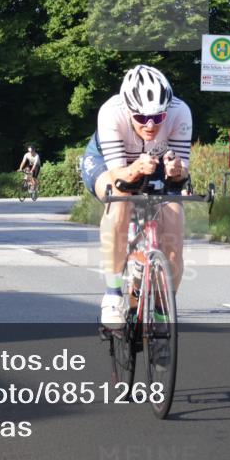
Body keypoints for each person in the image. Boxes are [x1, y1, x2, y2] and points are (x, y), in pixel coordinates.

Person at [78, 65, 191, 328]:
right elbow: (120, 177)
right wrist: (135, 169)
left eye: (157, 117)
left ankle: (164, 310)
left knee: (174, 226)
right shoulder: (111, 112)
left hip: (155, 162)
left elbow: (182, 172)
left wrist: (176, 171)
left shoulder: (179, 112)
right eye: (141, 118)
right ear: (129, 110)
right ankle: (113, 293)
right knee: (119, 200)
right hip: (109, 164)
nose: (150, 125)